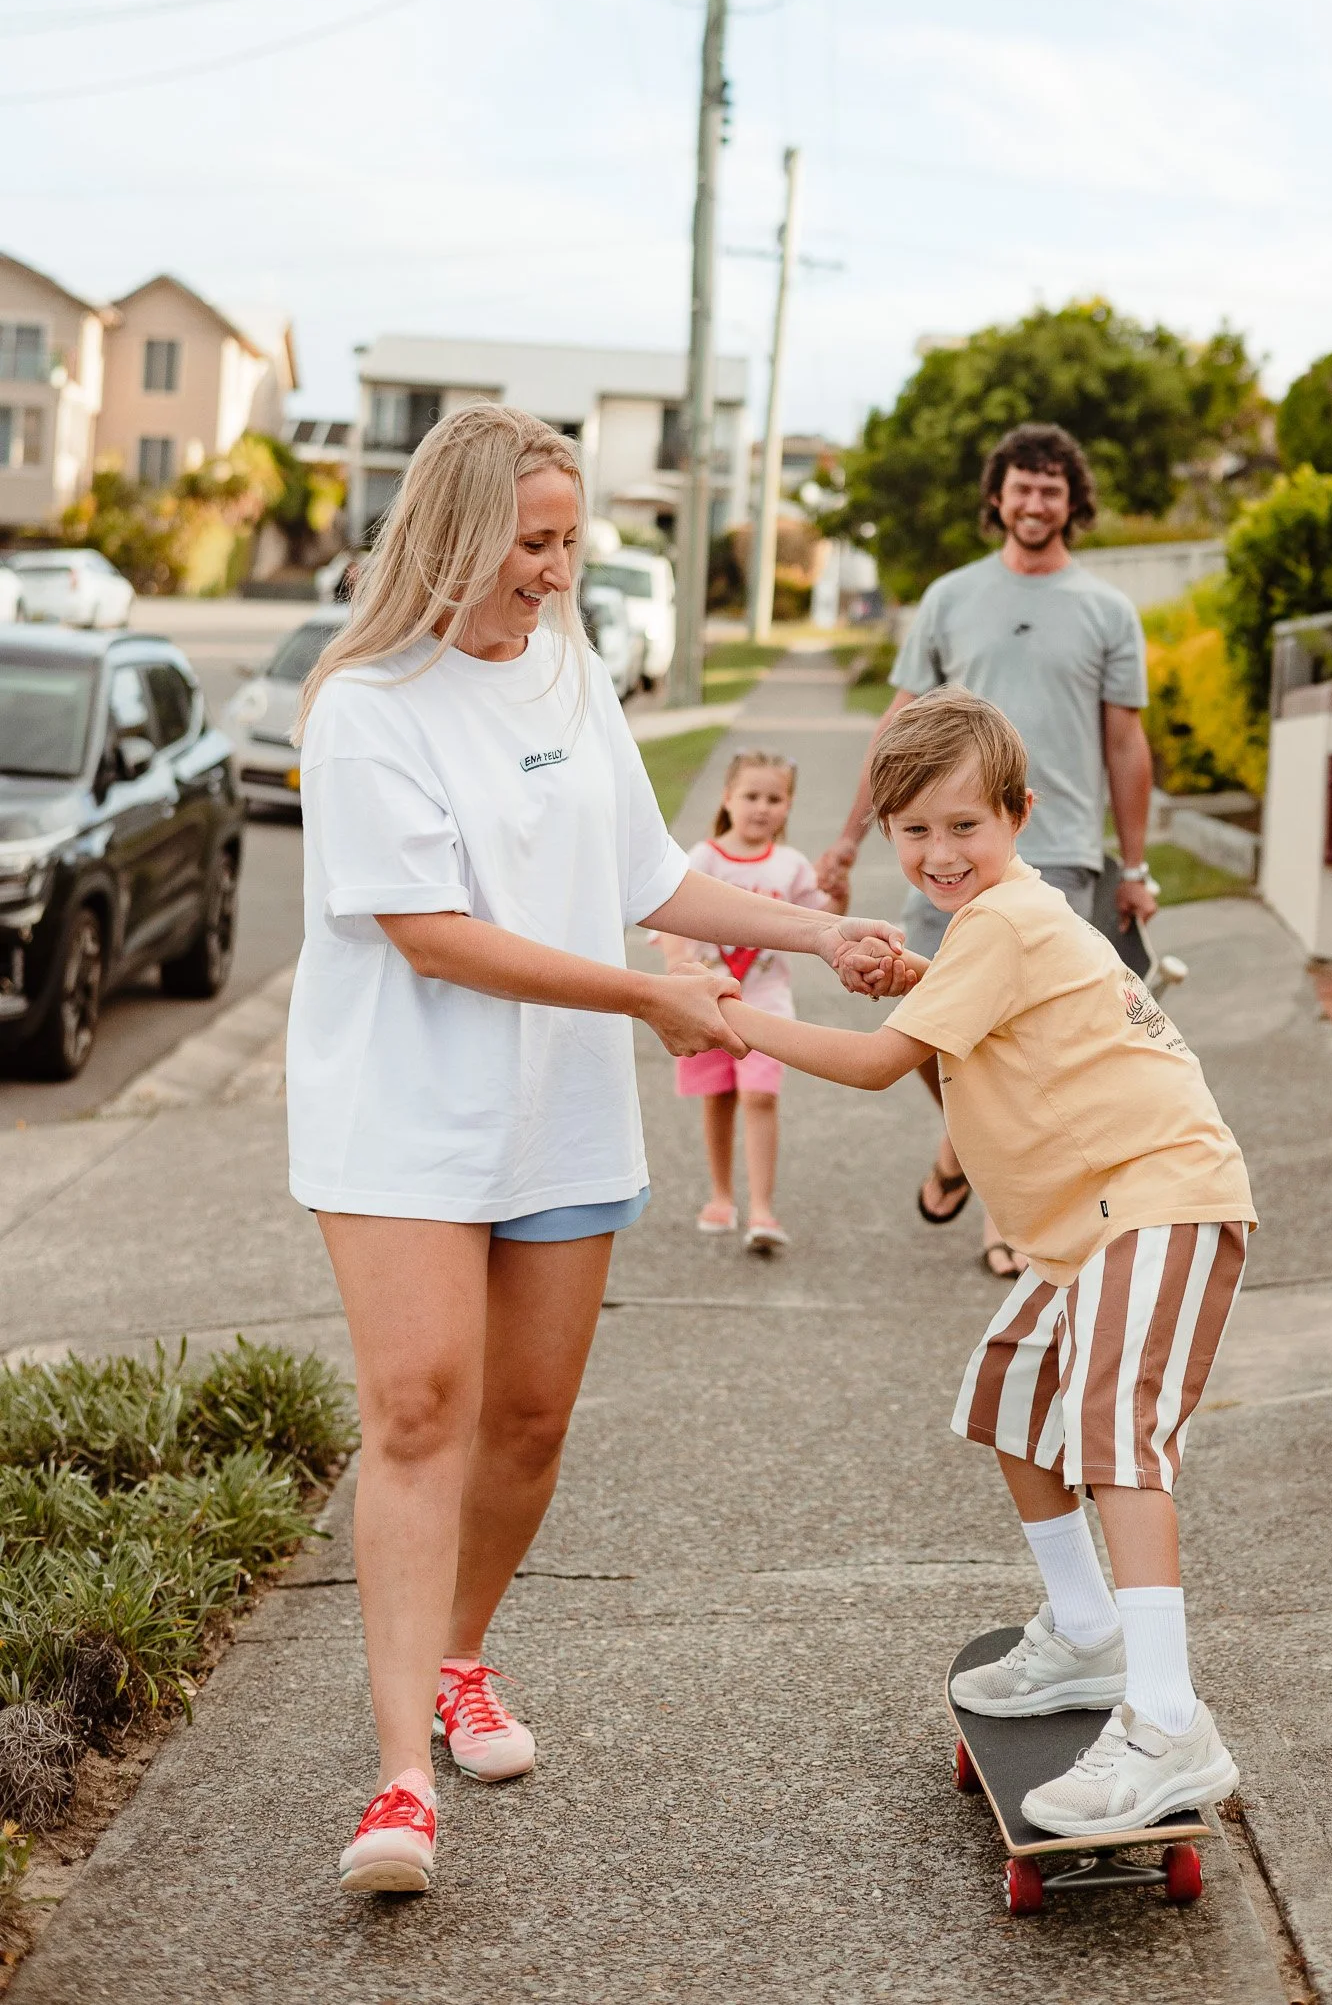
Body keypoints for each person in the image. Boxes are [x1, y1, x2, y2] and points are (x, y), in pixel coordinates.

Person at [286, 404, 901, 1896]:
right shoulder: (368, 704)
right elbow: (431, 939)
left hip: (554, 1107)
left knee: (532, 1423)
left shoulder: (565, 668)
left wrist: (817, 929)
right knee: (422, 1409)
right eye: (537, 542)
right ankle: (393, 1782)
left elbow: (655, 876)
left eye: (572, 542)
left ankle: (458, 1658)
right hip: (400, 1112)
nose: (561, 573)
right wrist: (642, 992)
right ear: (452, 533)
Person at [726, 689, 1254, 1833]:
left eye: (964, 825)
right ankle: (1086, 1634)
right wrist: (913, 977)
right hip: (1088, 1221)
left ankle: (1167, 1719)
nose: (938, 852)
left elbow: (875, 1070)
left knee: (1116, 1436)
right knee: (1012, 1397)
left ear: (1017, 815)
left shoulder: (1006, 918)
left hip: (1159, 1195)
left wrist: (732, 1017)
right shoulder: (994, 927)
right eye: (911, 830)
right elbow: (990, 1015)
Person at [817, 423, 1159, 1279]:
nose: (1034, 501)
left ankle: (1008, 1207)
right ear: (996, 497)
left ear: (1070, 502)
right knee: (923, 1021)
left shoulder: (1106, 610)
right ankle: (965, 1145)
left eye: (1051, 488)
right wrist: (849, 838)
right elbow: (898, 730)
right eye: (1020, 485)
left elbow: (1125, 745)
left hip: (1062, 854)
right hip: (939, 855)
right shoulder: (948, 598)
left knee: (1023, 1044)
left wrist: (1138, 866)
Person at [656, 747, 835, 1254]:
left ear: (789, 806)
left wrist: (836, 890)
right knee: (719, 1099)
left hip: (766, 1007)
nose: (762, 807)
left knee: (760, 1095)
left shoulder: (792, 865)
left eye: (775, 798)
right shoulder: (704, 859)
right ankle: (720, 1194)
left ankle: (762, 1208)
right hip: (707, 1004)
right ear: (727, 798)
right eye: (751, 795)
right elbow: (671, 919)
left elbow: (822, 921)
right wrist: (677, 972)